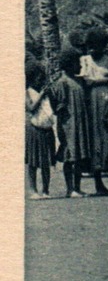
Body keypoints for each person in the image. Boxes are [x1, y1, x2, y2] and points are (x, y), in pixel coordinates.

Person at [49, 48, 92, 198]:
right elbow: (58, 108)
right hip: (69, 125)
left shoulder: (80, 81)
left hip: (81, 123)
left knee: (79, 156)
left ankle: (77, 187)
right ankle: (70, 188)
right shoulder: (62, 83)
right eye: (77, 63)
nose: (80, 66)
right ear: (68, 64)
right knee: (70, 155)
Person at [80, 26, 108, 195]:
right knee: (95, 140)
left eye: (97, 46)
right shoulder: (84, 60)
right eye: (90, 46)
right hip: (91, 102)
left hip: (107, 99)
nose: (93, 49)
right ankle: (98, 182)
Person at [25, 59, 56, 199]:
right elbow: (30, 108)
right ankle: (33, 190)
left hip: (46, 129)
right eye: (38, 77)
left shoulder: (46, 92)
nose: (40, 80)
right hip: (34, 129)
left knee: (45, 162)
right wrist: (41, 95)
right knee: (32, 162)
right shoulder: (28, 92)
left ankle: (46, 190)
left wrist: (49, 93)